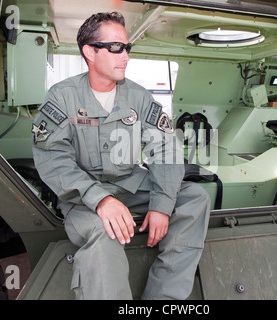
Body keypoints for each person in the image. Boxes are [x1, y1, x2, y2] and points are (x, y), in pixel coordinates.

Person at [31, 11, 210, 300]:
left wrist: (162, 205)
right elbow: (53, 158)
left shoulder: (139, 97)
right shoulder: (62, 97)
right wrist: (101, 199)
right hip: (82, 199)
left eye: (127, 48)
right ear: (89, 51)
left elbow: (165, 149)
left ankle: (163, 298)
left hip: (130, 185)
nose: (125, 56)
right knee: (104, 233)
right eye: (115, 48)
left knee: (195, 198)